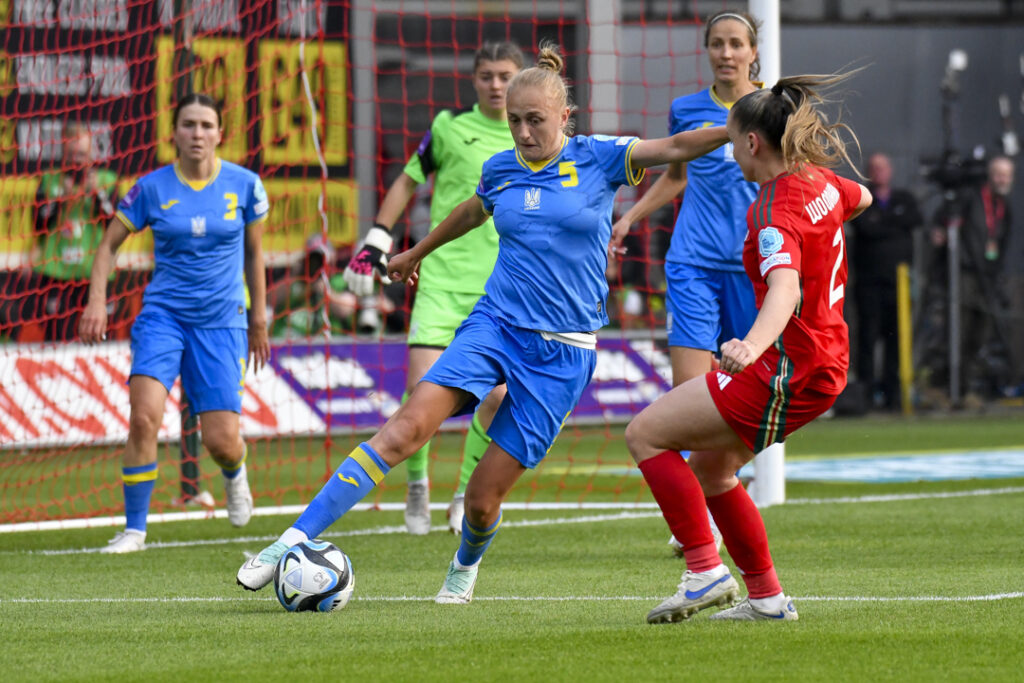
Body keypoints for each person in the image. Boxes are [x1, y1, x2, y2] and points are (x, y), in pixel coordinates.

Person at [237, 43, 730, 603]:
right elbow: (475, 208)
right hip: (494, 325)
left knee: (481, 499)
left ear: (564, 117)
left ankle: (464, 566)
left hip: (563, 353)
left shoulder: (600, 157)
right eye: (516, 121)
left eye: (534, 121)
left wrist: (735, 126)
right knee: (404, 428)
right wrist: (414, 252)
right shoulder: (500, 167)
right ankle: (286, 544)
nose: (521, 132)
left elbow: (677, 146)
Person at [623, 73, 871, 622]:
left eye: (733, 142)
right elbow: (864, 197)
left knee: (644, 434)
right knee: (713, 471)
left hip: (789, 368)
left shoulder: (771, 213)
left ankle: (704, 571)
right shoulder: (824, 185)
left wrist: (752, 344)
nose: (731, 153)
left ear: (752, 143)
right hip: (822, 363)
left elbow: (785, 287)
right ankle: (765, 599)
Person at [610, 9, 779, 554]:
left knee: (751, 390)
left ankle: (722, 476)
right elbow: (675, 177)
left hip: (755, 272)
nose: (726, 53)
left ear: (754, 52)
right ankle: (694, 524)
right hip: (692, 265)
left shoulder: (776, 110)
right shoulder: (686, 109)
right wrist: (631, 216)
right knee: (688, 393)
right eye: (717, 44)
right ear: (706, 50)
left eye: (736, 44)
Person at [343, 42, 524, 535]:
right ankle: (417, 487)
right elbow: (406, 180)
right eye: (486, 74)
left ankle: (464, 493)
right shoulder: (448, 128)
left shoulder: (531, 136)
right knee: (422, 394)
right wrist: (378, 239)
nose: (495, 83)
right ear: (473, 80)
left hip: (502, 288)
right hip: (440, 280)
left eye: (505, 74)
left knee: (497, 398)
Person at [79, 93, 269, 553]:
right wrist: (96, 302)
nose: (198, 133)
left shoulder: (246, 185)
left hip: (224, 322)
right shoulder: (151, 188)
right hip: (164, 318)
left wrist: (260, 319)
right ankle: (134, 530)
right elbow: (107, 247)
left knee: (222, 441)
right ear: (174, 133)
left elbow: (255, 253)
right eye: (189, 125)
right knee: (144, 418)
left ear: (220, 133)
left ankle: (233, 473)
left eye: (207, 125)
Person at [3, 124, 118, 342]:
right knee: (56, 337)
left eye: (82, 155)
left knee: (99, 336)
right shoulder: (49, 180)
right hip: (57, 271)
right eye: (73, 154)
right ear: (64, 152)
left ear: (92, 152)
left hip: (94, 271)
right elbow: (38, 224)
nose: (77, 161)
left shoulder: (106, 180)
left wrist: (97, 195)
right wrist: (58, 200)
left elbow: (114, 225)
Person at [848, 152, 921, 410]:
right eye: (874, 168)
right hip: (869, 283)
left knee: (896, 339)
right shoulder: (862, 199)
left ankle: (894, 395)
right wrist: (893, 225)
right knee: (867, 337)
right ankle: (866, 395)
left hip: (898, 285)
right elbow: (866, 228)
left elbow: (913, 219)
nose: (879, 172)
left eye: (883, 167)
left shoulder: (904, 199)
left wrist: (883, 224)